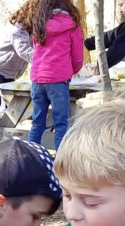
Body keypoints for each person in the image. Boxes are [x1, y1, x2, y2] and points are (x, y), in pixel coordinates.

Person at [28, 0, 84, 147]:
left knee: (37, 123)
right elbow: (77, 58)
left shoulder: (39, 25)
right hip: (58, 81)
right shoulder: (72, 26)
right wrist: (69, 70)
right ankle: (59, 166)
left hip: (38, 79)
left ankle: (31, 160)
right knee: (61, 125)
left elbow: (36, 50)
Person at [0, 0, 36, 112]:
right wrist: (43, 60)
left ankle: (4, 128)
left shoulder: (32, 31)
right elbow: (23, 50)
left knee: (9, 107)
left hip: (10, 72)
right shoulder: (17, 28)